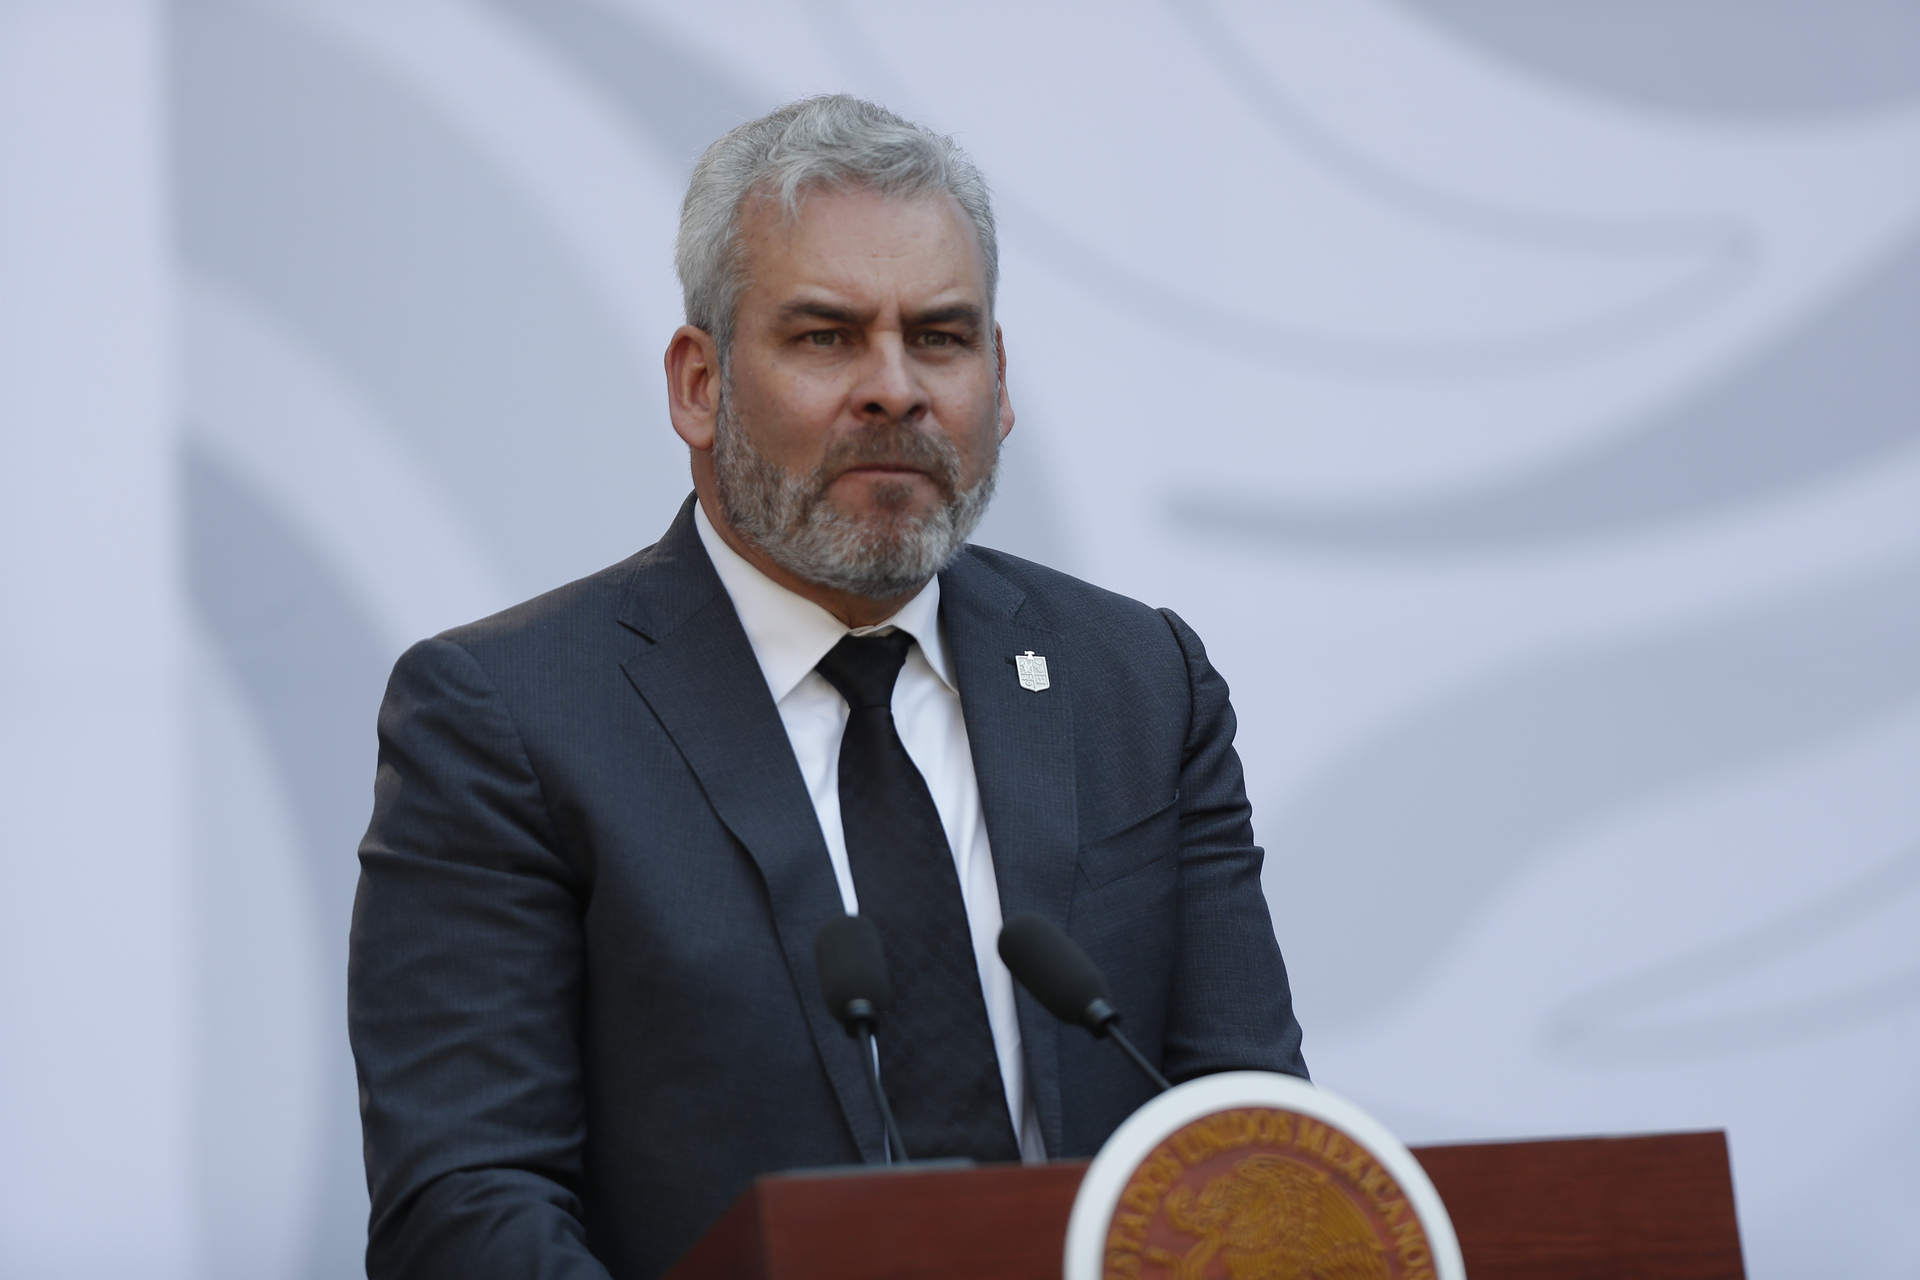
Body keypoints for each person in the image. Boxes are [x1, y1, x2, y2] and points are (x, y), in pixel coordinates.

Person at [348, 94, 1306, 1280]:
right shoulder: (509, 715)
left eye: (941, 337)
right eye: (825, 337)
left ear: (1000, 380)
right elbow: (467, 1204)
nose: (895, 389)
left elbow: (1254, 1132)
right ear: (698, 383)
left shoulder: (1138, 681)